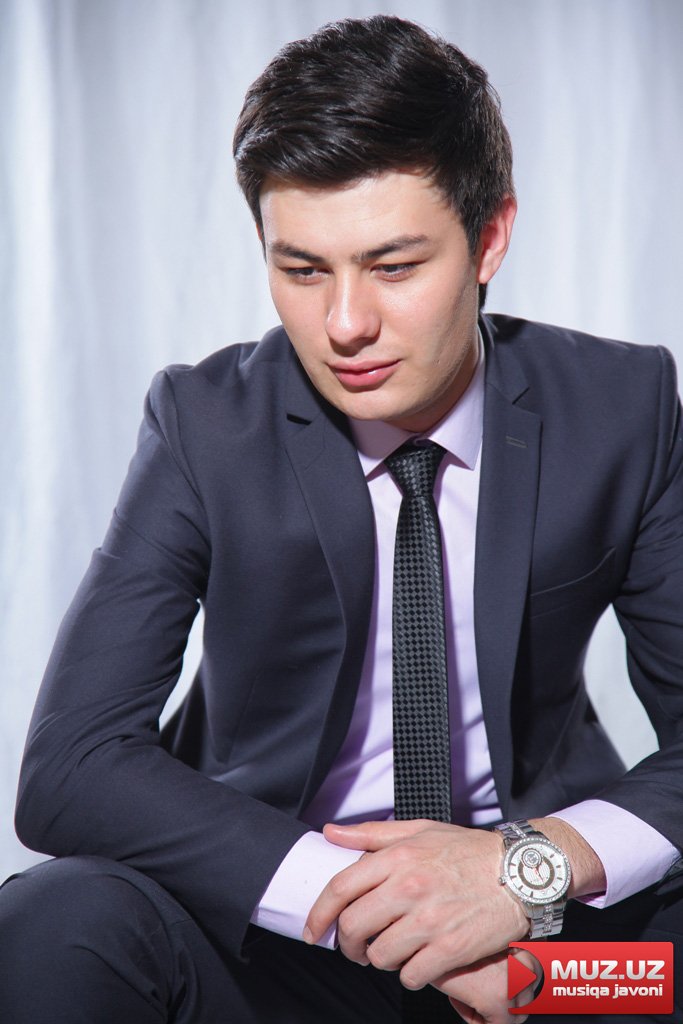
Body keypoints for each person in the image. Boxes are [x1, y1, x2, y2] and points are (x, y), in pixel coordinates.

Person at [1, 13, 682, 1024]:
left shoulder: (619, 406)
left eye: (393, 267)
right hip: (281, 935)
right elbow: (72, 767)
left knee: (655, 967)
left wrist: (522, 873)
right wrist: (379, 909)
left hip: (540, 954)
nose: (345, 324)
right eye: (302, 269)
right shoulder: (204, 423)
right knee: (56, 924)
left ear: (489, 237)